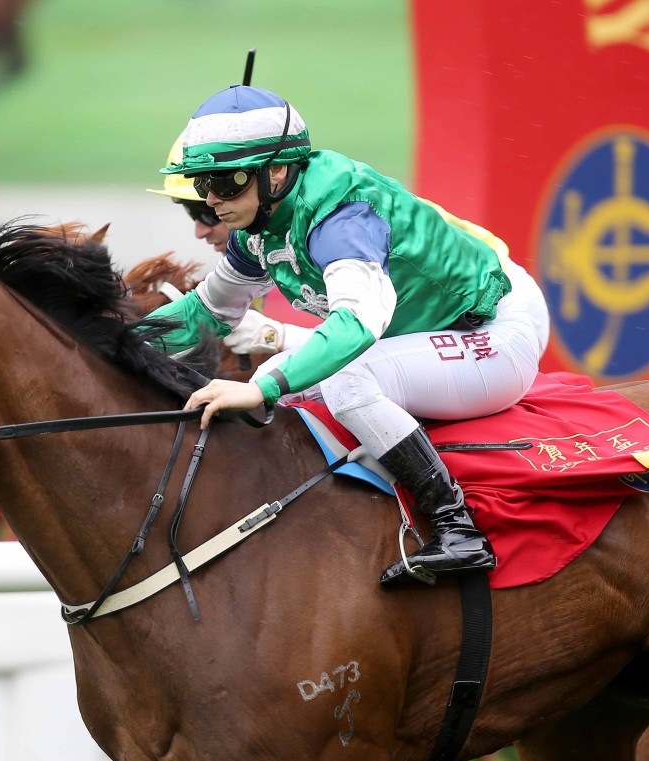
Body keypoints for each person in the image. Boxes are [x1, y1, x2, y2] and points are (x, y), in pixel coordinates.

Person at [146, 85, 550, 587]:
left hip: (496, 331)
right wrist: (111, 340)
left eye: (224, 183)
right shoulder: (259, 223)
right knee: (276, 372)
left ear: (276, 172)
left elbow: (358, 326)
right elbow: (210, 310)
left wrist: (261, 389)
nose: (210, 200)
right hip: (429, 331)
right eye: (201, 183)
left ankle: (457, 529)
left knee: (343, 382)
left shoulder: (340, 216)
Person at [147, 134, 314, 357]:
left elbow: (363, 339)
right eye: (194, 213)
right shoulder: (246, 265)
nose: (200, 232)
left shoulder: (326, 241)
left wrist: (277, 337)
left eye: (206, 215)